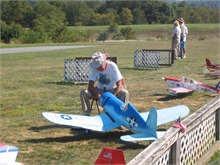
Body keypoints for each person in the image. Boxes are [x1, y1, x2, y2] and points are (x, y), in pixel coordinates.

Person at [80, 51, 129, 116]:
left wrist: (112, 97)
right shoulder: (94, 69)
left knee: (124, 93)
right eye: (97, 67)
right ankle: (86, 114)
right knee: (84, 92)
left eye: (100, 66)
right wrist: (97, 94)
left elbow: (119, 85)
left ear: (104, 62)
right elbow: (90, 85)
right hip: (99, 91)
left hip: (113, 90)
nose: (98, 68)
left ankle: (121, 114)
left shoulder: (112, 66)